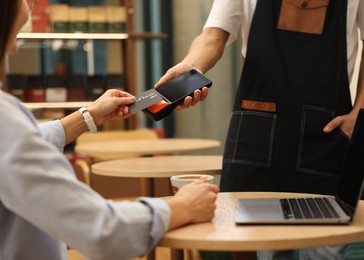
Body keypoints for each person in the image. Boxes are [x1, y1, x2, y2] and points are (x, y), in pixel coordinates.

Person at [155, 0, 364, 259]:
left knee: (327, 253)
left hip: (326, 134)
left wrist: (360, 112)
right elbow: (214, 33)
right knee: (267, 250)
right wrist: (192, 65)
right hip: (259, 133)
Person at [0, 0, 219, 259]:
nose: (31, 4)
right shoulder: (6, 118)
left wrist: (88, 115)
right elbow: (102, 229)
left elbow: (22, 145)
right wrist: (182, 206)